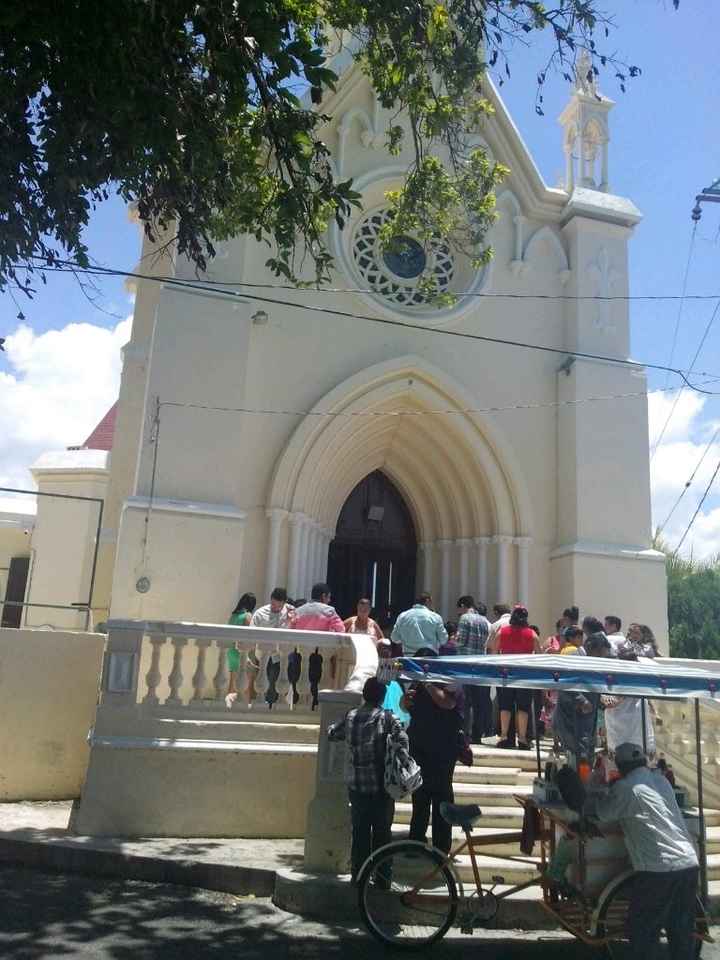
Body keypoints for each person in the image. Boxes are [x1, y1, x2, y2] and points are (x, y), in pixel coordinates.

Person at [585, 742, 699, 959]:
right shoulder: (661, 780)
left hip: (658, 869)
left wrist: (592, 789)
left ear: (621, 767)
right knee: (681, 931)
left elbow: (601, 812)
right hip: (688, 863)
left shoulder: (626, 788)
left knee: (643, 932)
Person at [328, 677, 405, 883]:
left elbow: (333, 732)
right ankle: (382, 878)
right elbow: (402, 739)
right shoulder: (387, 718)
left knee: (360, 833)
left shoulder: (351, 716)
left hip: (357, 785)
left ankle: (359, 876)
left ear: (364, 694)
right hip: (382, 786)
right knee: (382, 835)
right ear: (381, 697)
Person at [402, 649, 462, 854]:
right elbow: (407, 706)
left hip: (443, 751)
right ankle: (415, 843)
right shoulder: (416, 683)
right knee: (420, 800)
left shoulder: (448, 680)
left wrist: (427, 682)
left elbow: (447, 703)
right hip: (419, 749)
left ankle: (441, 847)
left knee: (442, 799)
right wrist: (406, 701)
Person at [490, 605, 541, 750]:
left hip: (505, 674)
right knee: (523, 707)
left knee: (505, 706)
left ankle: (505, 737)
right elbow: (540, 655)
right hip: (524, 675)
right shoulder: (532, 634)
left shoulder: (502, 632)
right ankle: (523, 739)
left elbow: (494, 653)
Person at [456, 596, 491, 744]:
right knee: (478, 702)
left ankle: (464, 733)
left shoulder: (465, 618)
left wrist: (453, 641)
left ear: (464, 606)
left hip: (465, 664)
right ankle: (477, 735)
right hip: (480, 665)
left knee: (464, 701)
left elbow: (461, 641)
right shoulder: (484, 621)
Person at [225, 592, 256, 708]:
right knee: (245, 685)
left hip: (231, 651)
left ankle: (227, 706)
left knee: (232, 682)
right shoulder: (247, 616)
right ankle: (245, 708)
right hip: (241, 652)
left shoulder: (233, 616)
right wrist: (247, 656)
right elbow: (246, 637)